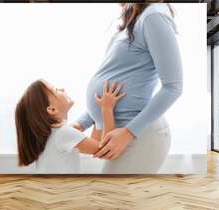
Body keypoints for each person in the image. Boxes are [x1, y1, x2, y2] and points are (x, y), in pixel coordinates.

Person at [74, 3, 183, 174]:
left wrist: (128, 133)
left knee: (113, 197)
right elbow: (109, 89)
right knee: (112, 197)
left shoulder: (153, 16)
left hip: (137, 135)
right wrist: (82, 123)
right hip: (121, 134)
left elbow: (173, 87)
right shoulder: (135, 19)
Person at [15, 79, 125, 173]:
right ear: (52, 109)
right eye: (56, 90)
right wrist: (107, 109)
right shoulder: (63, 133)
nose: (62, 89)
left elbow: (90, 139)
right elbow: (105, 150)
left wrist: (97, 113)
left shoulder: (53, 134)